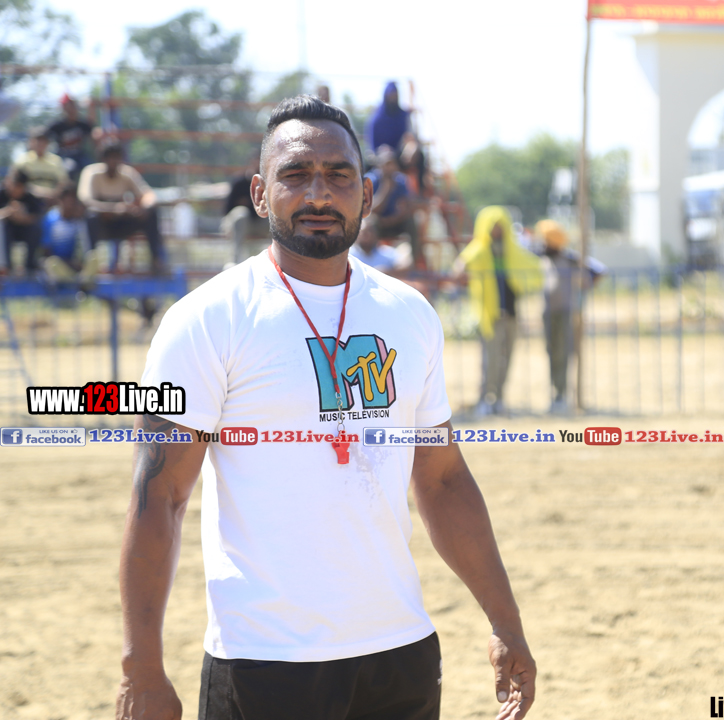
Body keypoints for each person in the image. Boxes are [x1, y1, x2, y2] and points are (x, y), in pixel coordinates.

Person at [115, 95, 535, 720]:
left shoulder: (409, 314)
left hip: (400, 655)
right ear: (260, 194)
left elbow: (443, 479)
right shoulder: (204, 319)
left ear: (366, 194)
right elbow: (159, 495)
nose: (318, 193)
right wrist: (141, 669)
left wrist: (505, 622)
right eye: (296, 174)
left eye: (338, 175)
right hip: (264, 662)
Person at [454, 207, 541, 416]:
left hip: (511, 314)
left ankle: (500, 399)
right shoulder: (478, 251)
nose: (497, 230)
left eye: (500, 226)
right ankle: (485, 399)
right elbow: (459, 267)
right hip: (490, 315)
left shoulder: (514, 252)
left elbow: (535, 267)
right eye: (493, 226)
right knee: (490, 360)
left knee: (507, 359)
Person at [534, 220, 604, 414]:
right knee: (551, 352)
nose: (543, 244)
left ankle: (561, 394)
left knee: (563, 353)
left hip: (566, 312)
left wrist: (583, 289)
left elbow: (598, 271)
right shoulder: (543, 258)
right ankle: (554, 392)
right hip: (548, 312)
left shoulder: (570, 259)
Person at [78, 143, 168, 275]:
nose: (114, 161)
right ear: (103, 159)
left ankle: (156, 261)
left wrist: (143, 208)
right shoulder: (91, 172)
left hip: (121, 223)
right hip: (102, 224)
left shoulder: (127, 173)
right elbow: (85, 201)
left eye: (117, 157)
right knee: (91, 216)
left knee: (151, 214)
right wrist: (112, 209)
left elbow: (148, 194)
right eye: (110, 157)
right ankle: (90, 263)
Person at [368, 144, 420, 266]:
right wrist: (386, 189)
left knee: (412, 222)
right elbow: (370, 210)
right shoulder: (370, 180)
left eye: (392, 163)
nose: (390, 167)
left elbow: (407, 206)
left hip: (396, 222)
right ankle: (368, 260)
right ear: (380, 165)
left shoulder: (401, 180)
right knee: (368, 223)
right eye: (387, 164)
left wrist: (396, 217)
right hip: (378, 224)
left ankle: (414, 262)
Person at [39, 183, 98, 285]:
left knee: (93, 257)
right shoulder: (50, 219)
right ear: (60, 200)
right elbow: (46, 251)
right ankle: (77, 283)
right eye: (67, 200)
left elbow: (84, 249)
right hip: (59, 265)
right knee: (51, 263)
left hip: (77, 266)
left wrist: (79, 263)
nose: (70, 204)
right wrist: (68, 263)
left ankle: (82, 280)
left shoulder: (79, 221)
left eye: (72, 201)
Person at [220, 155, 269, 266]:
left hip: (258, 223)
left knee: (276, 218)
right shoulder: (239, 183)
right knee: (241, 214)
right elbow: (227, 208)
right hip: (239, 224)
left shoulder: (268, 184)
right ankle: (235, 260)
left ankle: (278, 262)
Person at [0, 171, 44, 274]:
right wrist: (8, 211)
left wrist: (22, 217)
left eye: (19, 186)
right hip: (6, 231)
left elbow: (36, 217)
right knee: (2, 226)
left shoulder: (30, 198)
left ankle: (30, 266)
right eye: (14, 185)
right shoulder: (1, 194)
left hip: (23, 230)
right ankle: (5, 266)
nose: (16, 189)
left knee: (36, 229)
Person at [47, 94, 98, 182]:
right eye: (68, 108)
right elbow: (44, 137)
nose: (71, 110)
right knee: (70, 167)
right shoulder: (57, 126)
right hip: (63, 154)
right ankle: (69, 189)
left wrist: (91, 107)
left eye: (73, 107)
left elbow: (93, 131)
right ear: (64, 109)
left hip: (79, 154)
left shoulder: (82, 124)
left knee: (91, 168)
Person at [11, 126, 69, 199]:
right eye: (37, 140)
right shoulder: (22, 160)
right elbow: (13, 182)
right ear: (31, 141)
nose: (40, 143)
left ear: (48, 142)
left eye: (43, 140)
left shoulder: (56, 160)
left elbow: (63, 183)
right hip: (28, 199)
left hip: (51, 199)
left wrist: (53, 194)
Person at [367, 81, 413, 156]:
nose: (393, 98)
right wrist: (382, 150)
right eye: (391, 95)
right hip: (382, 154)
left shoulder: (403, 116)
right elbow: (373, 142)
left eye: (395, 95)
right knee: (387, 158)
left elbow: (409, 135)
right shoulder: (377, 117)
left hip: (401, 154)